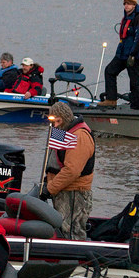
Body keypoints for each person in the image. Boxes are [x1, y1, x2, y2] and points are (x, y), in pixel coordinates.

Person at [43, 101, 95, 241]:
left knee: (72, 232)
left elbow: (72, 170)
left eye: (58, 121)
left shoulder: (79, 136)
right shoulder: (63, 131)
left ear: (65, 118)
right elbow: (53, 159)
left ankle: (75, 261)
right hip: (61, 190)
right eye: (53, 122)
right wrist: (45, 181)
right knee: (62, 229)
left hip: (74, 193)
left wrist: (50, 188)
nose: (55, 126)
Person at [101, 0, 139, 110]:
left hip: (133, 55)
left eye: (129, 3)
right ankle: (111, 100)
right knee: (109, 71)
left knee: (134, 80)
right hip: (123, 54)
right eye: (125, 3)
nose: (126, 5)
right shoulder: (126, 17)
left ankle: (136, 106)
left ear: (134, 5)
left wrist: (133, 54)